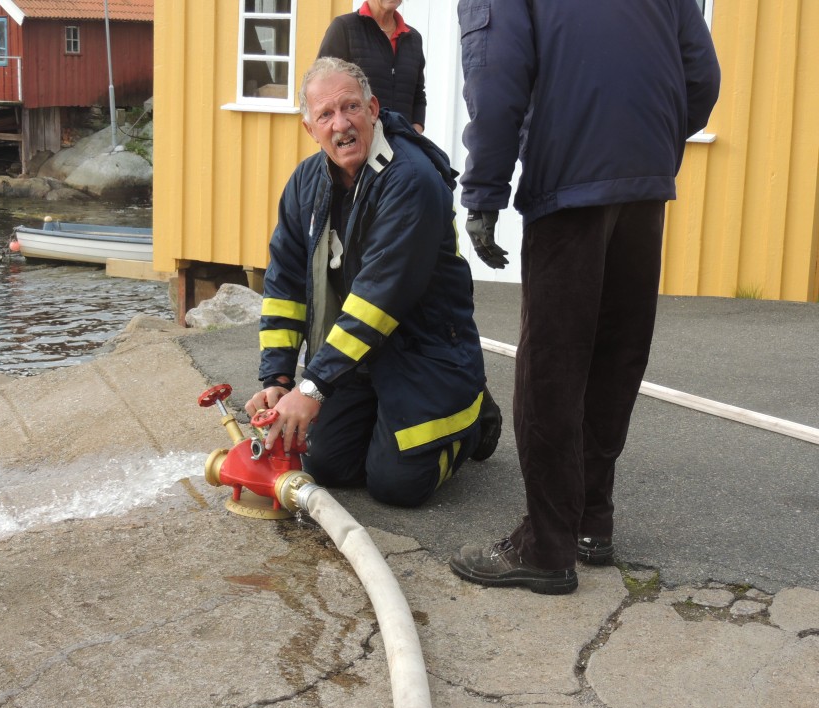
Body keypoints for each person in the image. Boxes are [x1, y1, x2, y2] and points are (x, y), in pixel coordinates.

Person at [449, 0, 721, 594]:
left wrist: (484, 193)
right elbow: (702, 76)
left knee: (553, 362)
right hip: (644, 181)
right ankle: (592, 519)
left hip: (568, 181)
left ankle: (547, 545)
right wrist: (644, 141)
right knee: (615, 351)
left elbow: (495, 82)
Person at [244, 57, 501, 508]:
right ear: (310, 128)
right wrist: (279, 377)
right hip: (361, 354)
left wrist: (314, 385)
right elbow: (283, 285)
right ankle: (393, 425)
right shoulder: (305, 182)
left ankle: (475, 415)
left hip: (425, 351)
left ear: (373, 109)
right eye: (325, 114)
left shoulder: (412, 179)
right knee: (327, 466)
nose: (340, 124)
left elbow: (379, 298)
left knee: (397, 486)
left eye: (351, 108)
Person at [318, 0, 426, 133]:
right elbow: (323, 91)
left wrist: (415, 133)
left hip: (402, 147)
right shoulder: (343, 28)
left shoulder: (413, 38)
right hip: (353, 145)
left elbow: (418, 95)